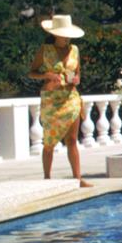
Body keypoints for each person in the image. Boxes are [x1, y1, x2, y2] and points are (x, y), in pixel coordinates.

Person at [29, 12, 92, 187]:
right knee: (49, 142)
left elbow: (77, 71)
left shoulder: (74, 50)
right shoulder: (45, 50)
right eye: (64, 35)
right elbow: (32, 72)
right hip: (51, 100)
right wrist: (47, 75)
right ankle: (47, 178)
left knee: (72, 140)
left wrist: (77, 78)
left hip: (70, 97)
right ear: (55, 34)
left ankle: (78, 178)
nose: (67, 39)